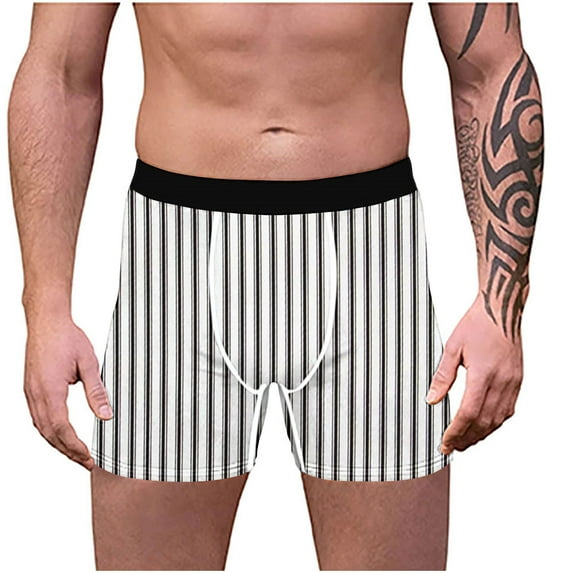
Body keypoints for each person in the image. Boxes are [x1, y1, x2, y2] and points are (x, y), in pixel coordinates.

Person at [7, 2, 543, 571]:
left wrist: (501, 306)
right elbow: (60, 73)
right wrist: (44, 307)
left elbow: (490, 70)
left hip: (371, 252)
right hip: (175, 252)